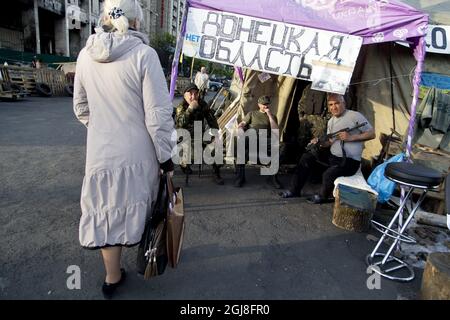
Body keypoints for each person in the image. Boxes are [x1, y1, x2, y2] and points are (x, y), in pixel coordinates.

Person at [73, 0, 175, 299]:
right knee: (143, 209)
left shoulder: (84, 56)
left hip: (100, 152)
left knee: (106, 209)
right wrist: (166, 157)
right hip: (138, 153)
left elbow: (81, 107)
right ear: (136, 22)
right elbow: (157, 116)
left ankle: (111, 276)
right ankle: (150, 256)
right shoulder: (145, 55)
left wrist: (103, 128)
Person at [279, 93, 375, 203]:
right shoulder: (331, 121)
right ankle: (294, 190)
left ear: (343, 103)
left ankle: (323, 196)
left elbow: (372, 134)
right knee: (306, 158)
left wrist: (351, 137)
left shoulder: (355, 116)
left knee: (328, 174)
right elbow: (330, 142)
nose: (334, 107)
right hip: (333, 157)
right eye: (331, 104)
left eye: (337, 103)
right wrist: (319, 142)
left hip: (350, 161)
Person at [175, 83, 224, 185]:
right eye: (190, 94)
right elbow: (180, 123)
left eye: (195, 94)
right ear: (185, 95)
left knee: (216, 148)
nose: (193, 97)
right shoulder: (181, 107)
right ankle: (183, 164)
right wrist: (190, 109)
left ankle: (216, 172)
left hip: (200, 134)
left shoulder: (202, 104)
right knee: (193, 155)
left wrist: (215, 134)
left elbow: (211, 119)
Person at [234, 95, 281, 188]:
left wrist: (269, 115)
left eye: (267, 104)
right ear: (259, 104)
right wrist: (241, 126)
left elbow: (275, 130)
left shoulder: (272, 116)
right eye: (263, 104)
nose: (265, 106)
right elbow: (243, 123)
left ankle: (273, 177)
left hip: (265, 141)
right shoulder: (252, 114)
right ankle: (240, 178)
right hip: (252, 139)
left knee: (281, 147)